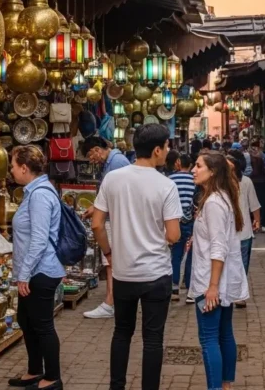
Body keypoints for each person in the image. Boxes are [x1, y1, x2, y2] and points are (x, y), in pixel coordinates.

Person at [91, 124, 183, 390]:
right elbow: (174, 234)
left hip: (123, 272)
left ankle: (116, 386)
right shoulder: (166, 186)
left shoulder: (113, 179)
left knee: (122, 333)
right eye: (166, 147)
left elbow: (97, 224)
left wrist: (109, 252)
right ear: (156, 150)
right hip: (156, 273)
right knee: (153, 339)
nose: (167, 152)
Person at [189, 151, 250, 390]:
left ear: (212, 172)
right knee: (224, 333)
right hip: (221, 280)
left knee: (209, 338)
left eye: (198, 166)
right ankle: (226, 385)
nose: (194, 170)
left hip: (211, 281)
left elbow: (218, 246)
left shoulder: (214, 202)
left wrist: (212, 286)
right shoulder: (221, 197)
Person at [9, 145, 66, 390]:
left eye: (12, 166)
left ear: (24, 168)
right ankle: (35, 370)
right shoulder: (33, 192)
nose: (10, 171)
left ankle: (52, 377)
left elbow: (39, 239)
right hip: (34, 270)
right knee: (26, 319)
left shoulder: (41, 194)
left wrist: (24, 275)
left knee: (42, 324)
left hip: (41, 271)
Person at [81, 136, 132, 320]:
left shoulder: (116, 163)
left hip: (114, 218)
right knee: (111, 262)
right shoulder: (114, 162)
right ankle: (113, 301)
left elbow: (118, 195)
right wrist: (95, 207)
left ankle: (110, 303)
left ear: (97, 149)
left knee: (110, 261)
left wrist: (98, 210)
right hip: (114, 216)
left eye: (90, 155)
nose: (90, 159)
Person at [226, 149, 261, 307]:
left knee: (241, 264)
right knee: (234, 263)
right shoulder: (221, 183)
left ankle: (238, 294)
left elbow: (254, 205)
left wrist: (257, 221)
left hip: (243, 231)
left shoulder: (245, 182)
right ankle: (232, 293)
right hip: (229, 232)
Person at [167, 151, 197, 299]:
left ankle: (174, 288)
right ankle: (190, 289)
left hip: (176, 221)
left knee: (176, 255)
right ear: (190, 165)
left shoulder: (170, 179)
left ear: (178, 163)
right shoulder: (195, 179)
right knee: (192, 255)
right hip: (192, 221)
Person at [248, 140, 265, 232]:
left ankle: (254, 223)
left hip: (254, 181)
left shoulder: (249, 157)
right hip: (261, 182)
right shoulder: (261, 157)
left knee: (253, 203)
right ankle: (261, 223)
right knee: (262, 203)